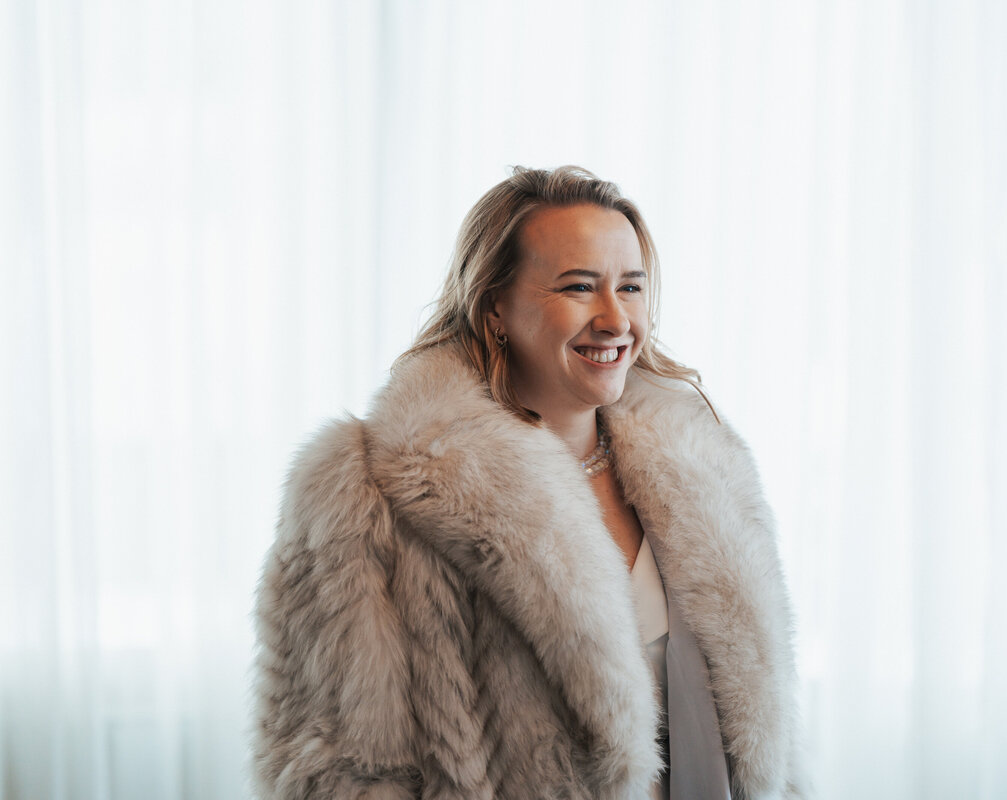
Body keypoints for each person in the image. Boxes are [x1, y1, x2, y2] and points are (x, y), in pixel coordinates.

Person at [253, 166, 804, 798]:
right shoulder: (363, 491)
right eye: (578, 287)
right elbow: (337, 771)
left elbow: (771, 745)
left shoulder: (708, 467)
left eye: (630, 287)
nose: (615, 319)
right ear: (494, 307)